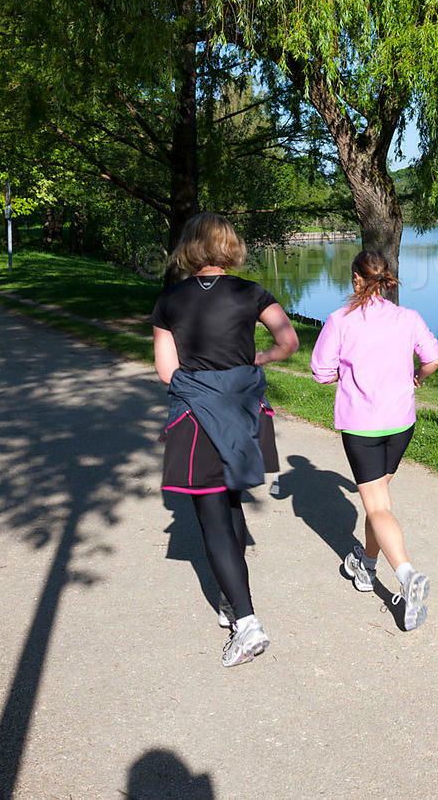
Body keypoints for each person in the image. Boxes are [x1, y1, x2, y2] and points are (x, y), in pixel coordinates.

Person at [152, 212, 298, 666]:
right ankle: (235, 604)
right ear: (229, 246)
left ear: (190, 247)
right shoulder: (252, 293)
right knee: (231, 504)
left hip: (196, 416)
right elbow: (289, 340)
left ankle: (248, 623)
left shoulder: (170, 301)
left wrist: (204, 388)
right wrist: (258, 358)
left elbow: (166, 372)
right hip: (243, 411)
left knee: (213, 515)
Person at [310, 251, 438, 630]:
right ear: (385, 280)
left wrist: (348, 376)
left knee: (378, 507)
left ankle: (407, 576)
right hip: (401, 424)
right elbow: (433, 359)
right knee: (378, 501)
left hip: (362, 425)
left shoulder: (339, 321)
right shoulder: (408, 318)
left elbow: (321, 372)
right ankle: (366, 566)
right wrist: (417, 375)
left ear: (356, 279)